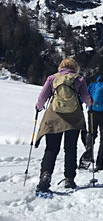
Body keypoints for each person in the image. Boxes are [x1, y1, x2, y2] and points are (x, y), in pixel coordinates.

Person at [34, 58, 92, 192]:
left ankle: (45, 175)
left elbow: (42, 97)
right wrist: (91, 104)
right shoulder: (79, 80)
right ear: (74, 68)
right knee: (70, 148)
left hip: (54, 116)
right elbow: (86, 99)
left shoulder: (52, 78)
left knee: (51, 148)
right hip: (74, 118)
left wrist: (38, 106)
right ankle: (69, 179)